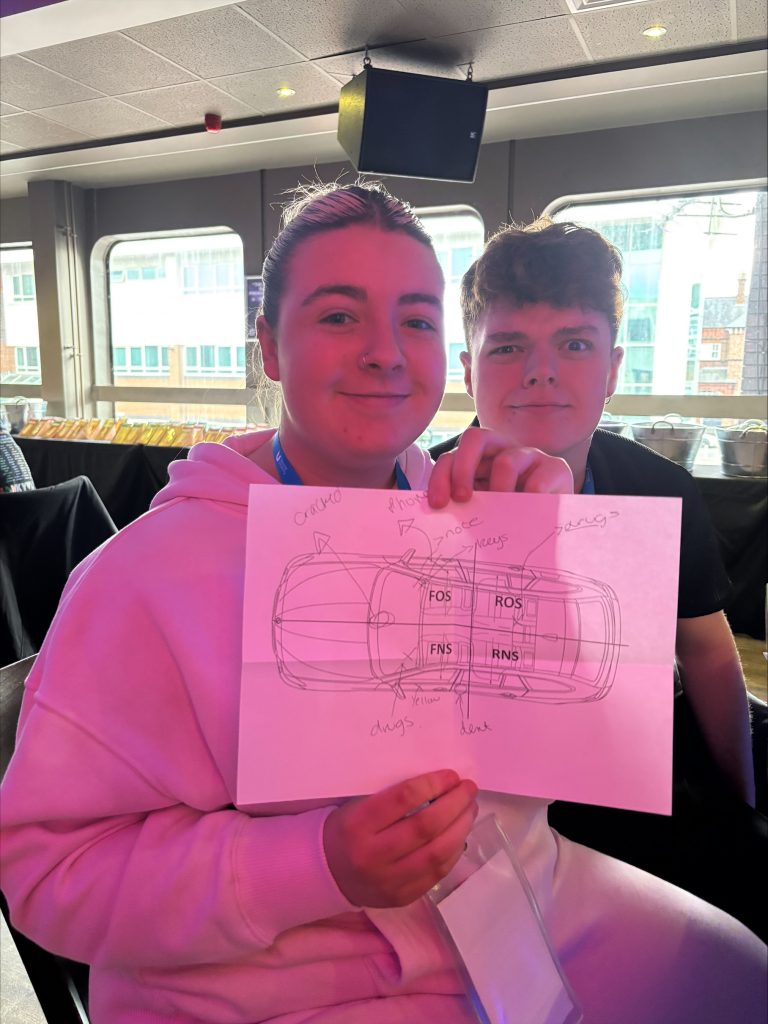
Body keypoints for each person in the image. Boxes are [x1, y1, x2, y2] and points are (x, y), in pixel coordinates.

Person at [0, 184, 765, 1024]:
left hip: (511, 912)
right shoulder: (140, 577)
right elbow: (46, 875)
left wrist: (554, 560)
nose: (385, 353)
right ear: (269, 347)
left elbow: (569, 764)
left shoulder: (480, 516)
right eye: (338, 316)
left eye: (417, 321)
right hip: (258, 985)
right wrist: (314, 862)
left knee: (744, 976)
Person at [431, 217, 767, 939]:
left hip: (627, 780)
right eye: (508, 346)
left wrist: (741, 807)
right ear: (469, 370)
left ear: (613, 369)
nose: (541, 370)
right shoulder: (414, 498)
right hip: (472, 805)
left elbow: (708, 654)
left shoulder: (660, 490)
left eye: (575, 345)